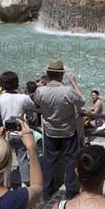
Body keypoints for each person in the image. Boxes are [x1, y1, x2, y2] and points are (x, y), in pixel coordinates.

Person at [33, 59, 86, 201]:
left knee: (49, 160)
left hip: (50, 130)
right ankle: (70, 191)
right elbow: (82, 101)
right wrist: (74, 83)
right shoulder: (68, 91)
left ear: (48, 74)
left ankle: (47, 191)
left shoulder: (40, 91)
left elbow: (37, 102)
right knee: (71, 160)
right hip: (68, 130)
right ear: (61, 75)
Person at [0, 71, 36, 187]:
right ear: (17, 84)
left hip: (3, 132)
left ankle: (5, 182)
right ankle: (26, 182)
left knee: (4, 158)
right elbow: (32, 108)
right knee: (22, 158)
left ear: (2, 84)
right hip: (19, 131)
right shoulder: (24, 98)